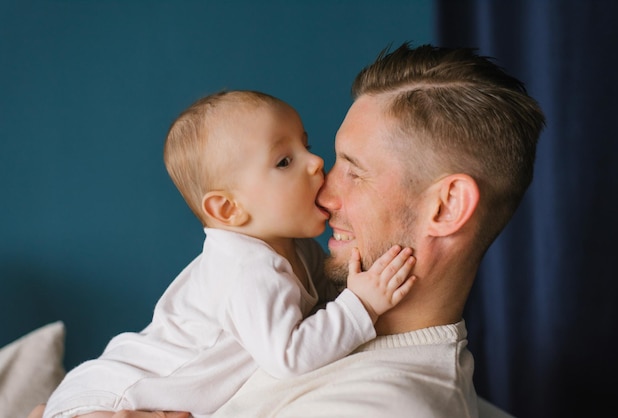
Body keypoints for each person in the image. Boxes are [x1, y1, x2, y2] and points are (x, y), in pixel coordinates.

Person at [32, 42, 546, 418]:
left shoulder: (382, 407)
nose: (322, 193)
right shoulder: (315, 313)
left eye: (355, 171)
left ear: (447, 206)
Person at [40, 90, 417, 418]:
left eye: (307, 146)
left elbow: (321, 302)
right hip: (119, 395)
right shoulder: (248, 269)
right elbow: (290, 356)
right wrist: (362, 305)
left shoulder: (295, 248)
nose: (316, 162)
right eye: (284, 161)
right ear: (228, 210)